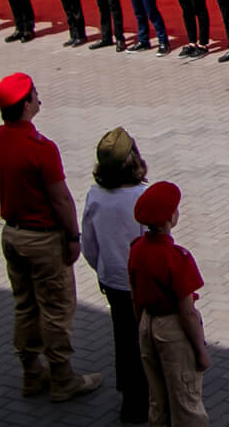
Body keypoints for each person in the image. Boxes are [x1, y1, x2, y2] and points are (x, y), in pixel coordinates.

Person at [0, 72, 103, 402]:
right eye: (35, 94)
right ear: (25, 104)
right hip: (43, 239)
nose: (39, 97)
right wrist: (74, 236)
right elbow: (60, 198)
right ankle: (62, 378)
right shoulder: (41, 149)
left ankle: (31, 373)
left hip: (12, 233)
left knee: (25, 305)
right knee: (56, 309)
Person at [79, 128, 150, 424]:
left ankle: (127, 389)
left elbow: (89, 242)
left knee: (123, 335)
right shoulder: (141, 196)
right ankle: (142, 401)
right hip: (141, 281)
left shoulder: (96, 195)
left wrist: (102, 269)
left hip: (113, 281)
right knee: (146, 340)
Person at [127, 181, 210, 427]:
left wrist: (141, 327)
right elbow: (187, 312)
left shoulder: (137, 249)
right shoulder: (177, 258)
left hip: (147, 325)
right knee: (186, 401)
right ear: (170, 218)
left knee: (158, 398)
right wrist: (201, 350)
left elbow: (135, 295)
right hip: (173, 330)